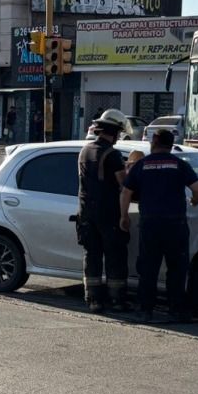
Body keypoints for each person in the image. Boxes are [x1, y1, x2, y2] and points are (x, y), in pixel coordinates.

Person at [121, 130, 198, 323]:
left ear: (153, 144)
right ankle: (176, 310)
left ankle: (145, 310)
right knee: (177, 267)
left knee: (148, 267)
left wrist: (124, 216)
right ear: (171, 144)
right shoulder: (179, 164)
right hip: (175, 223)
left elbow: (126, 192)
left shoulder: (142, 165)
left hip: (150, 223)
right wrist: (194, 201)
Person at [76, 109, 132, 313]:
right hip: (108, 213)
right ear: (114, 132)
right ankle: (116, 300)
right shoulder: (113, 154)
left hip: (85, 213)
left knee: (92, 256)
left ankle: (93, 300)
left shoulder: (85, 150)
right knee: (115, 256)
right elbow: (123, 184)